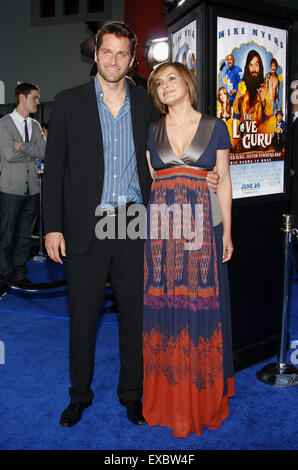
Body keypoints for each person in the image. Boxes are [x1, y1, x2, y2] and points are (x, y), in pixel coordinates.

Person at [43, 21, 220, 428]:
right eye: (107, 52)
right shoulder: (68, 102)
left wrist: (206, 173)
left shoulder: (146, 104)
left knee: (135, 319)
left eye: (122, 54)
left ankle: (131, 395)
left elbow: (175, 144)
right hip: (87, 225)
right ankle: (79, 396)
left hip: (135, 221)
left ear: (131, 59)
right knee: (83, 318)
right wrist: (53, 227)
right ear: (96, 53)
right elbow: (53, 172)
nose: (114, 60)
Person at [142, 61, 234, 438]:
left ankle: (198, 399)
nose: (165, 86)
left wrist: (227, 232)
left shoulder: (215, 127)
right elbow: (155, 179)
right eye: (158, 82)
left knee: (199, 305)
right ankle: (165, 396)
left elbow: (224, 180)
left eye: (171, 78)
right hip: (162, 231)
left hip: (201, 228)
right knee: (164, 306)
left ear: (188, 83)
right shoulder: (153, 129)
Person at [0, 82, 46, 296]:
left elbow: (44, 152)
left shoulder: (35, 126)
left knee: (25, 236)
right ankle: (3, 275)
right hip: (10, 189)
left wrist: (21, 146)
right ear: (22, 97)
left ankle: (19, 274)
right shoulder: (4, 124)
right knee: (7, 235)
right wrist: (30, 151)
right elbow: (8, 155)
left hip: (33, 191)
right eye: (34, 97)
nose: (37, 101)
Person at [233, 50, 275, 135]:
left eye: (256, 65)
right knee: (231, 123)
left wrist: (263, 100)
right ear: (247, 67)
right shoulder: (242, 85)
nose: (254, 69)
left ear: (260, 67)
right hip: (243, 129)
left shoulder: (263, 87)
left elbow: (270, 113)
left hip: (258, 131)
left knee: (273, 120)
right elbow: (236, 111)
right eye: (251, 65)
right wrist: (239, 100)